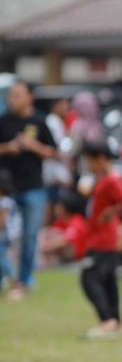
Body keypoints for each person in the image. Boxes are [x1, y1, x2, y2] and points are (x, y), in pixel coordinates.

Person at [0, 80, 58, 299]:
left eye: (18, 95)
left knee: (29, 237)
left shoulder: (40, 122)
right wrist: (8, 148)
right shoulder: (4, 121)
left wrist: (34, 147)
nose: (13, 99)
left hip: (33, 187)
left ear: (29, 97)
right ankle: (5, 275)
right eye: (11, 95)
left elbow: (55, 153)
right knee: (2, 236)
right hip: (5, 188)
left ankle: (23, 280)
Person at [80, 141, 122, 339]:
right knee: (109, 281)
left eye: (89, 162)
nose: (88, 166)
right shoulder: (102, 179)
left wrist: (112, 211)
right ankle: (115, 321)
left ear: (101, 159)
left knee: (89, 278)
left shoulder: (112, 180)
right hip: (102, 238)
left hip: (102, 239)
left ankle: (107, 319)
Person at [39, 189, 88, 266]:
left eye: (58, 207)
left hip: (78, 257)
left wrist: (41, 247)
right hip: (63, 256)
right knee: (46, 233)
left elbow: (64, 240)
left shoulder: (76, 221)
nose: (55, 209)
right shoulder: (60, 222)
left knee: (56, 242)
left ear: (65, 208)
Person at [0, 169, 16, 290]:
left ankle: (14, 282)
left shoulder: (5, 202)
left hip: (3, 236)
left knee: (3, 260)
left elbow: (2, 221)